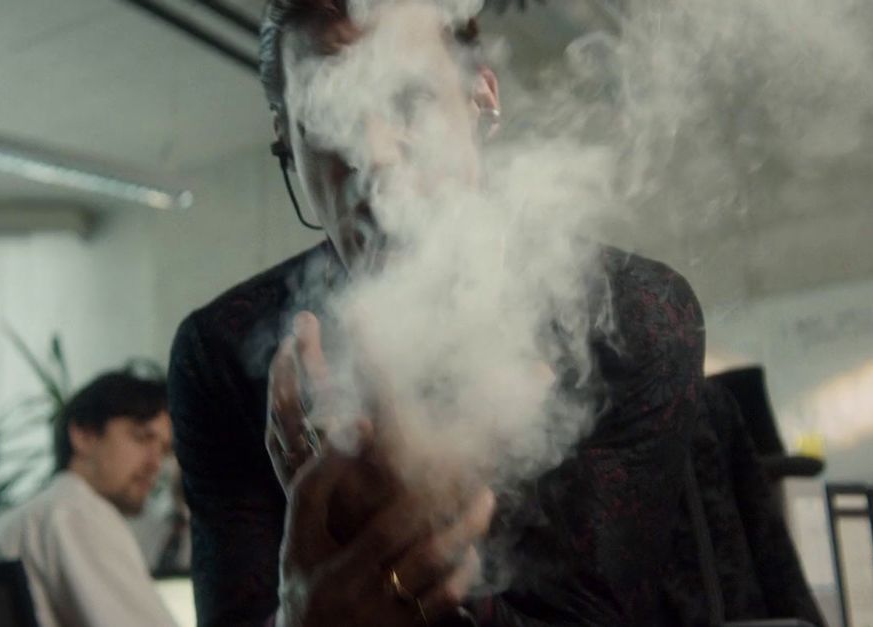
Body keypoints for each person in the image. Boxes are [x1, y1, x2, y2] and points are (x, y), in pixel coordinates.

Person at [168, 1, 821, 626]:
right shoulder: (228, 353)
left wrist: (391, 556)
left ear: (482, 98)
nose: (375, 156)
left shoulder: (627, 314)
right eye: (326, 114)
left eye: (408, 99)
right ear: (286, 140)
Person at [0, 370, 179, 627]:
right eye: (142, 438)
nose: (156, 463)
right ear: (84, 435)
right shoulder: (76, 513)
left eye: (164, 450)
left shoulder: (0, 529)